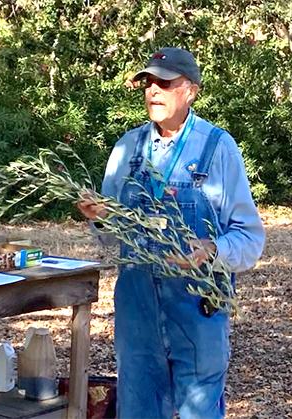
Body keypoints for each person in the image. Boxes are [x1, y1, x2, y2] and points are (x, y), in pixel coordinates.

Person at [77, 47, 265, 419]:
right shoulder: (126, 149)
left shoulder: (218, 148)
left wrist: (211, 249)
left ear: (190, 90)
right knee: (138, 408)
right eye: (148, 83)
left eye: (165, 82)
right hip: (137, 311)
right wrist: (99, 219)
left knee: (200, 411)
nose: (153, 91)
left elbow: (250, 238)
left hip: (198, 311)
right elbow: (113, 241)